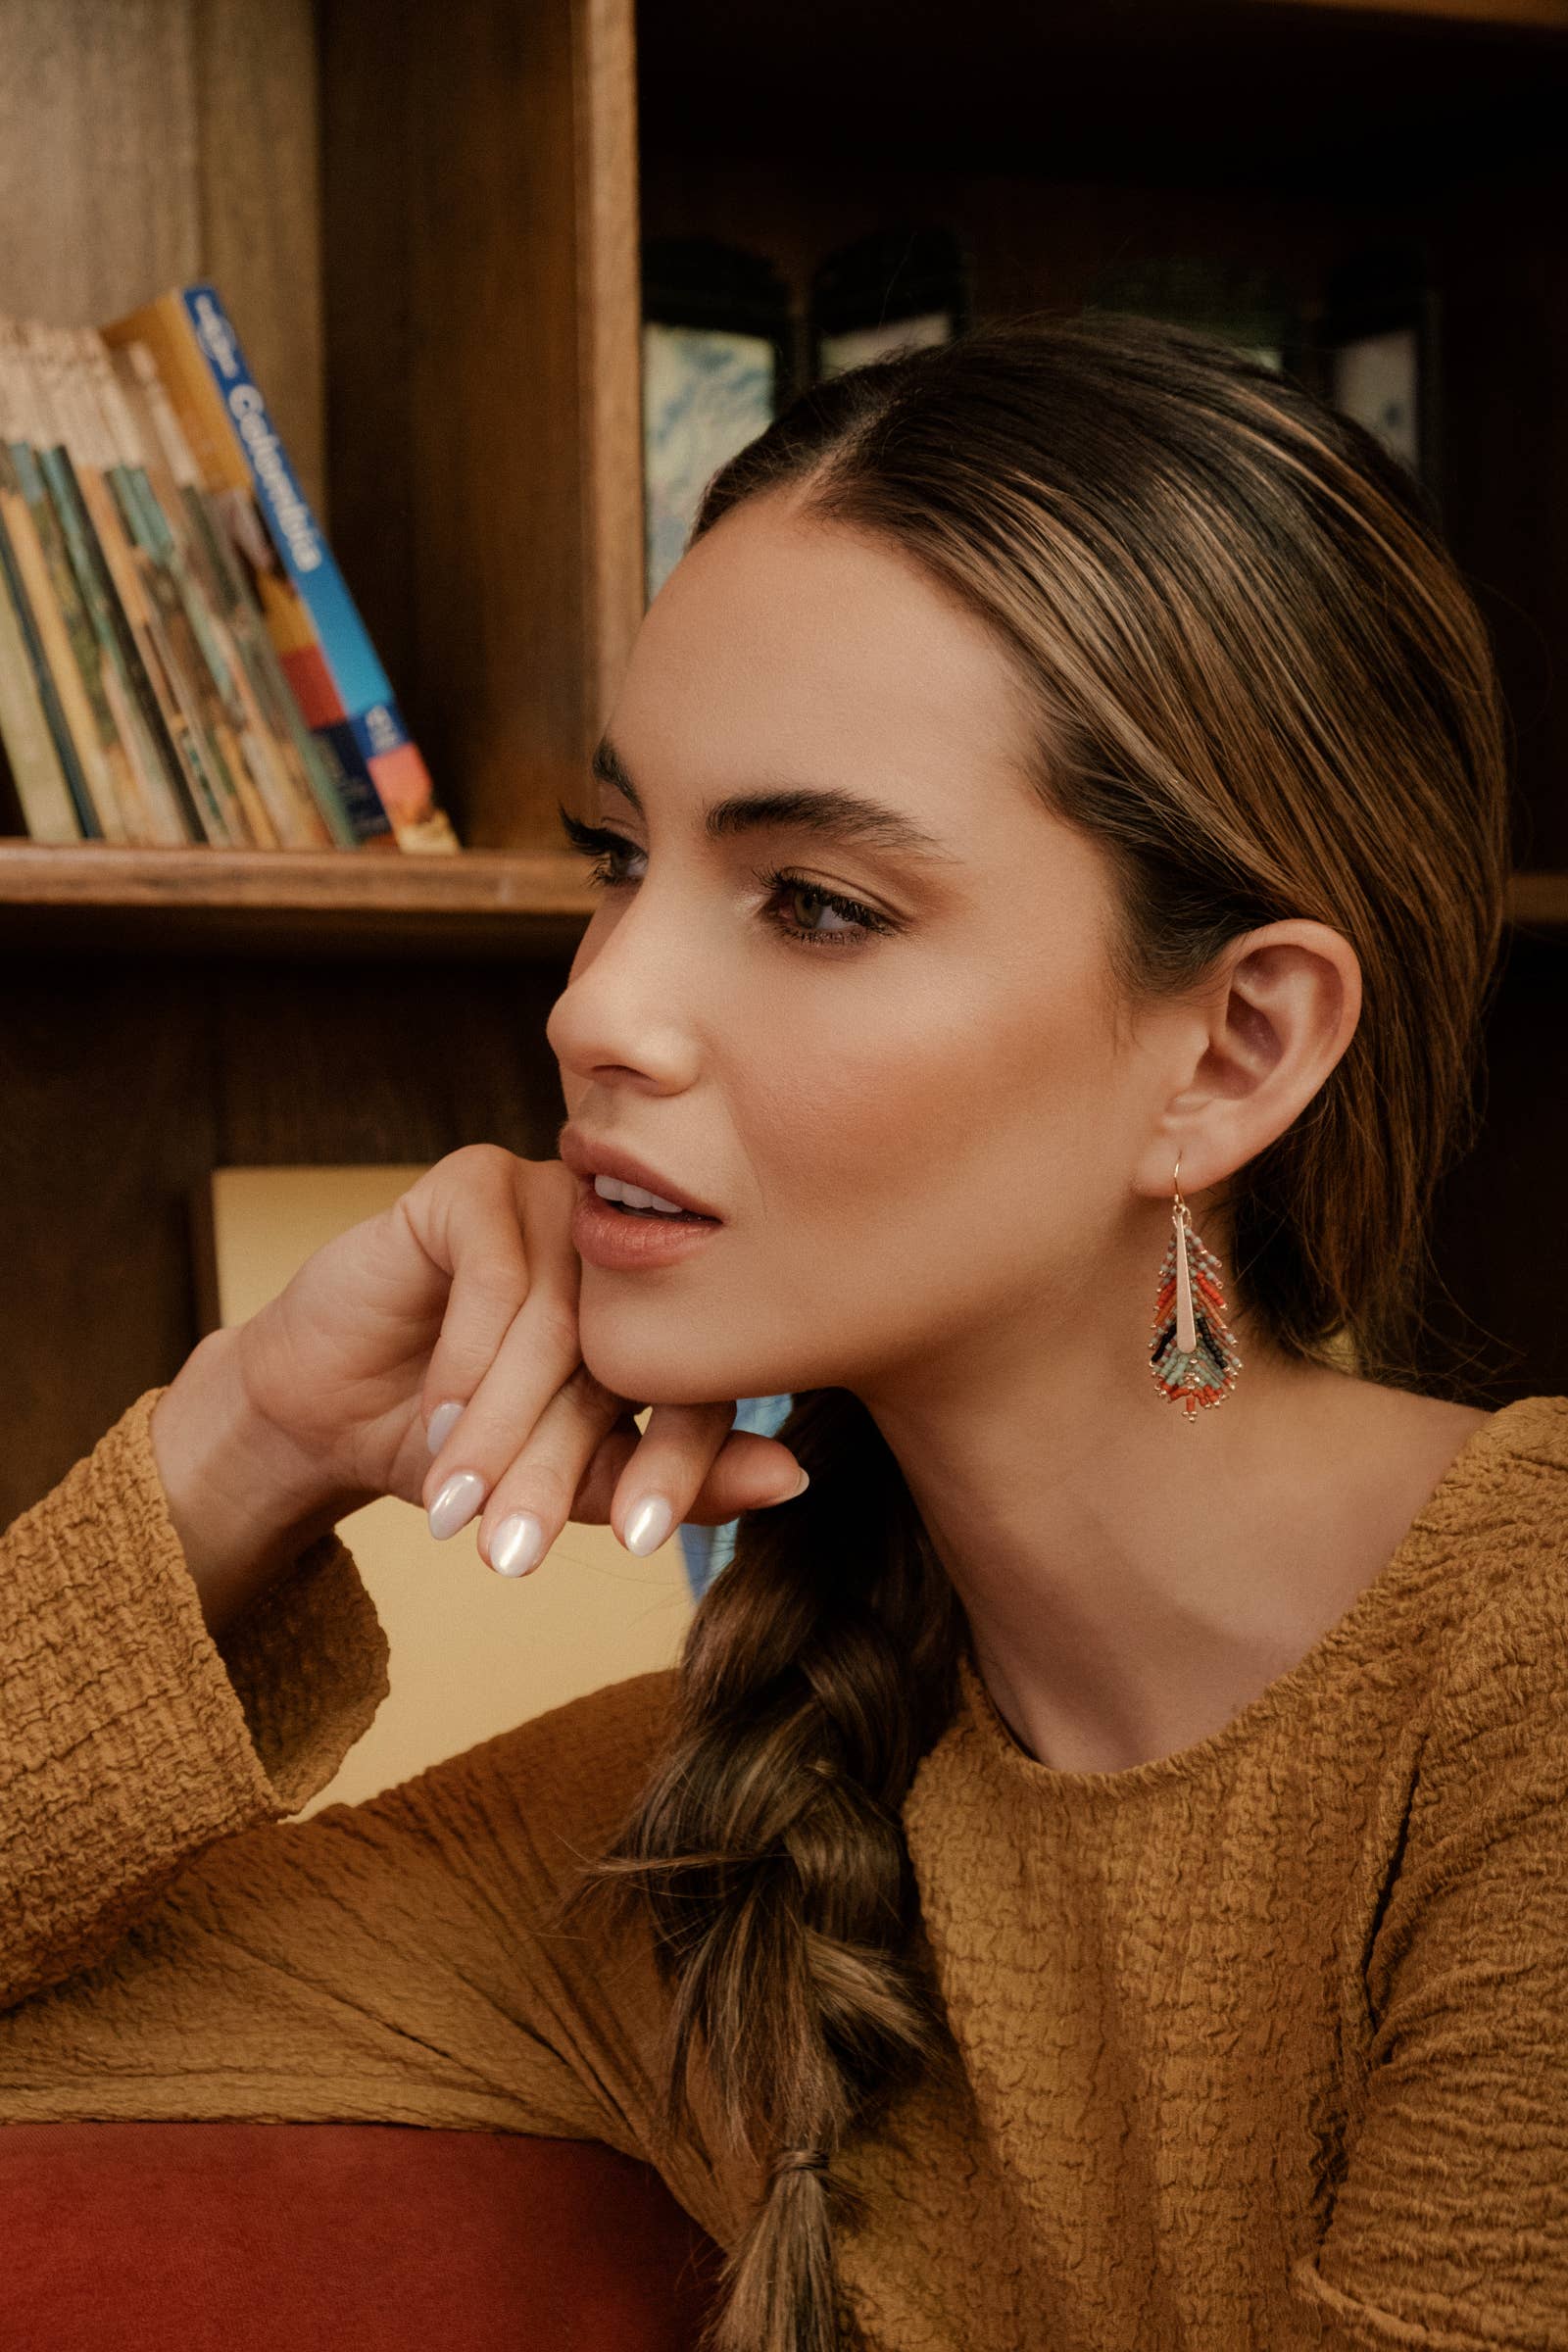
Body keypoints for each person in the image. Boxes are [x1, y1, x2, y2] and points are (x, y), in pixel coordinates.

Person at [3, 311, 1564, 2352]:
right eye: (618, 858)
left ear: (1230, 1046)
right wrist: (251, 1445)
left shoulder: (1518, 1687)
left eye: (812, 900)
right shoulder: (751, 1815)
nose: (595, 1009)